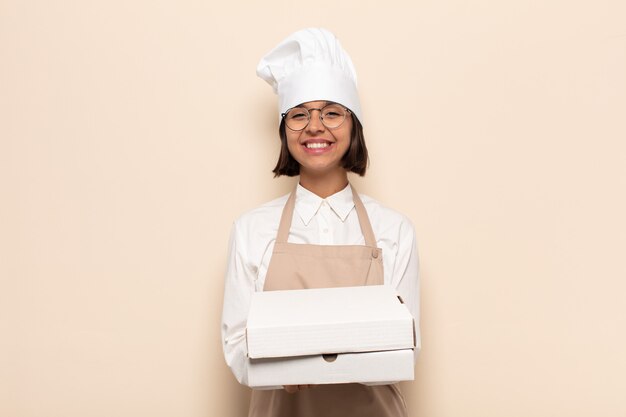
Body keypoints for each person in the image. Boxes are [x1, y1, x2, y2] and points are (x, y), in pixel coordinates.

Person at [221, 28, 420, 417]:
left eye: (331, 112)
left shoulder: (394, 230)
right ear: (285, 130)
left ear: (353, 125)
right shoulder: (250, 230)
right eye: (299, 115)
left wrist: (298, 351)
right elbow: (236, 347)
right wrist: (297, 368)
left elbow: (405, 345)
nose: (315, 127)